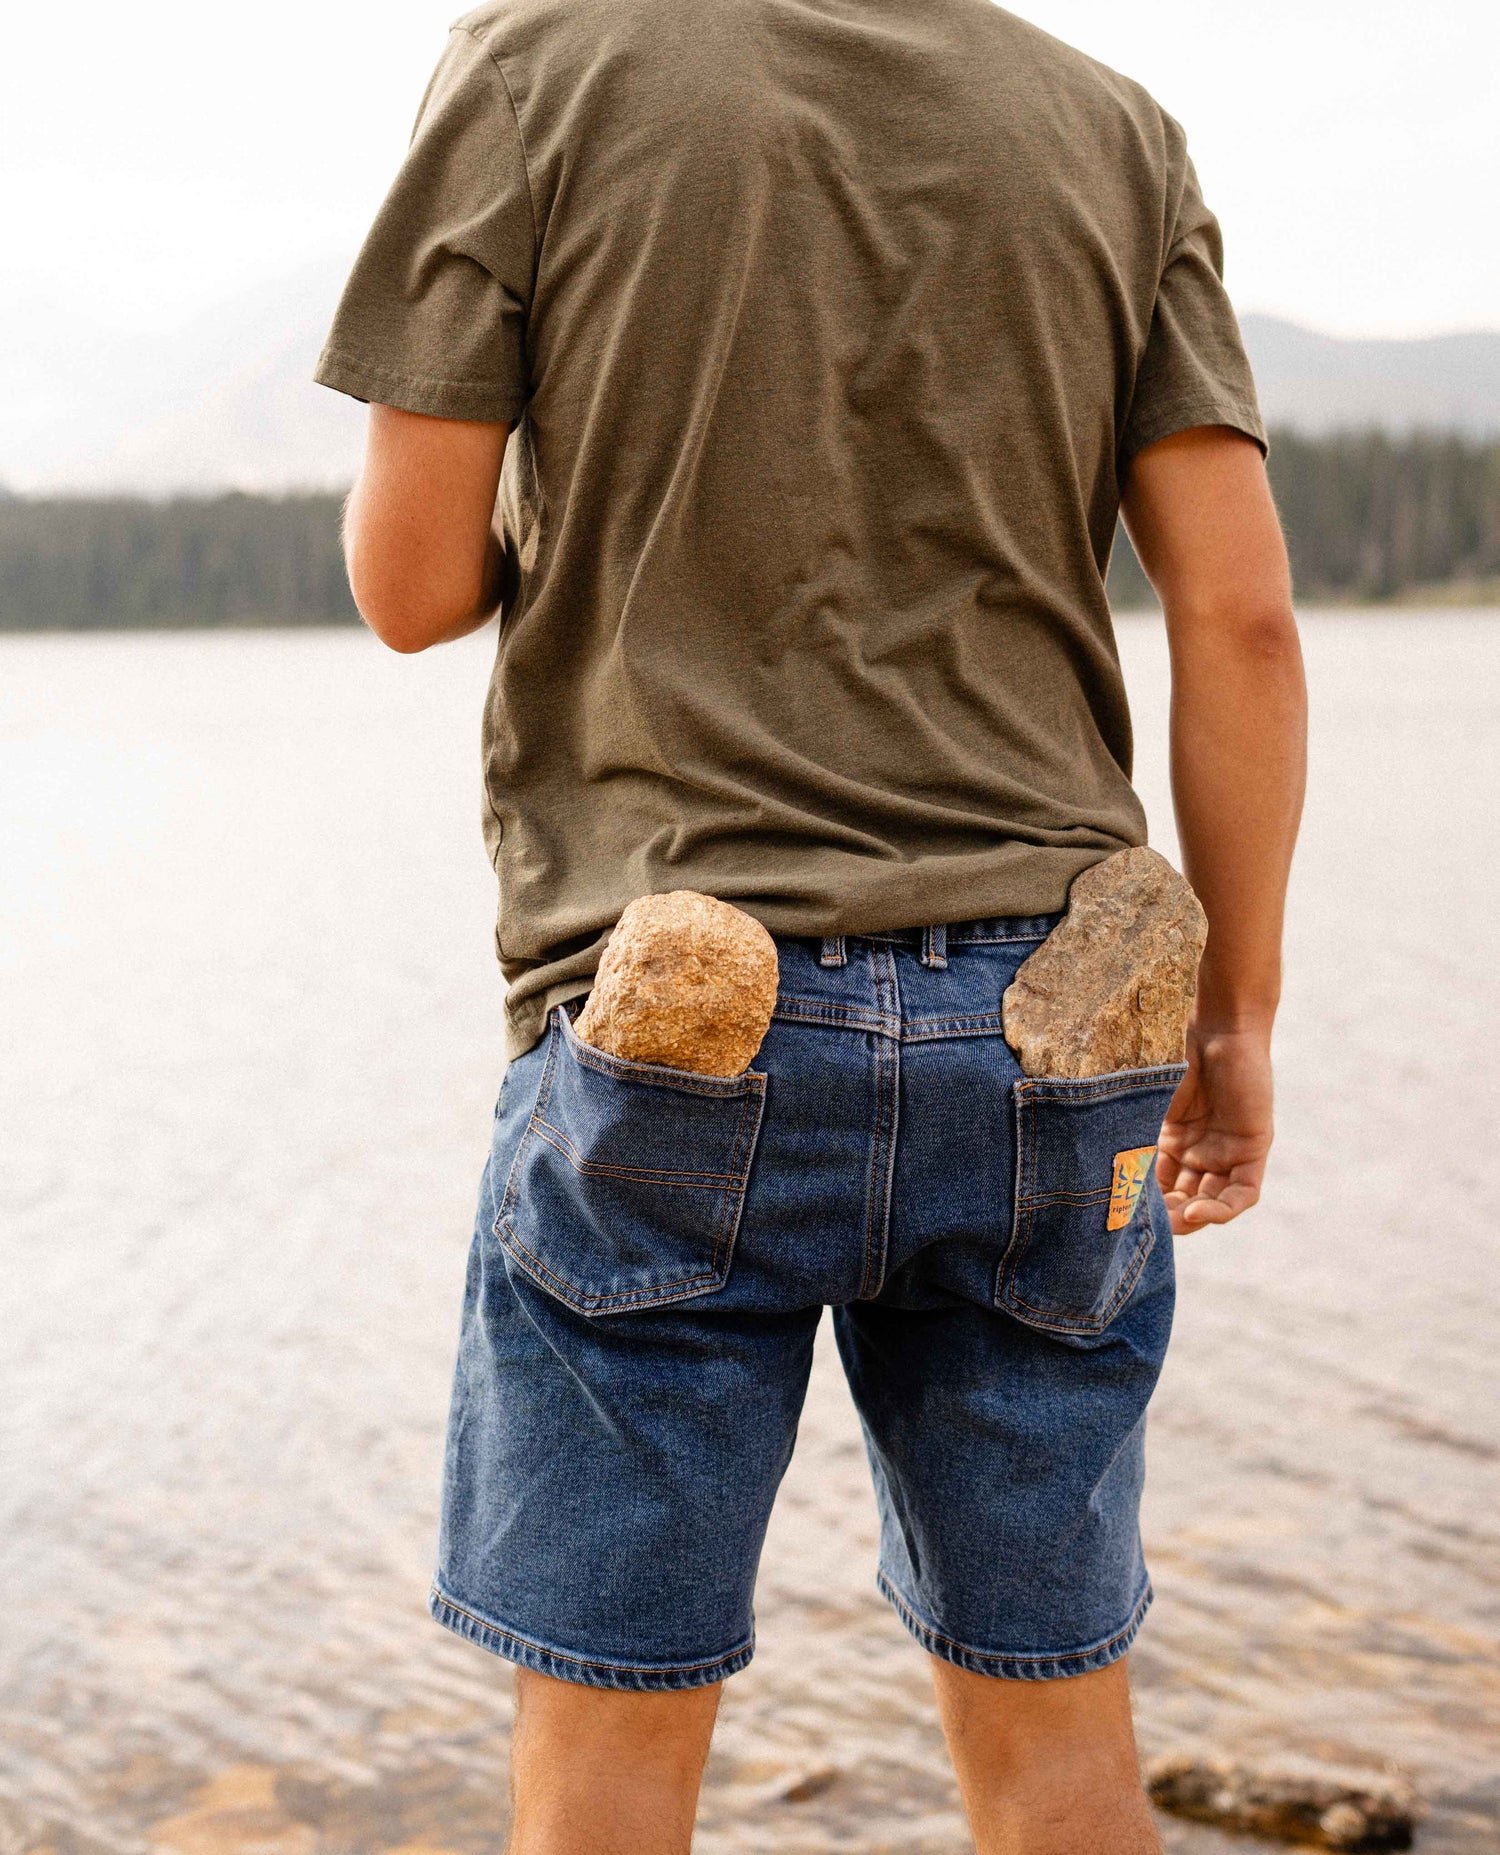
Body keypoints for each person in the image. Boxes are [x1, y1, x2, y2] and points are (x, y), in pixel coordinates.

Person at [314, 0, 1307, 1845]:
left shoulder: (539, 66)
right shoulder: (1111, 128)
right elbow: (1241, 618)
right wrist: (1236, 1027)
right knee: (1059, 1717)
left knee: (613, 1736)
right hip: (1054, 1017)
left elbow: (408, 581)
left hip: (686, 1001)